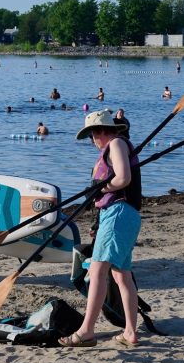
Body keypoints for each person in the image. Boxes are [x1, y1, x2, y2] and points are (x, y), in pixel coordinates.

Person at [59, 109, 142, 347]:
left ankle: (86, 331)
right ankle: (129, 332)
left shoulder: (116, 143)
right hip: (121, 215)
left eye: (91, 135)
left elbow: (123, 179)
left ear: (99, 131)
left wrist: (102, 189)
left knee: (97, 270)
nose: (92, 141)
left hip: (119, 213)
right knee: (121, 275)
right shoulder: (118, 145)